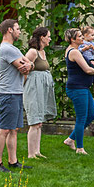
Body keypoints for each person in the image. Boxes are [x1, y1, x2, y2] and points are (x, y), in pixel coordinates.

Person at [0, 19, 33, 172]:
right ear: (9, 30)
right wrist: (28, 66)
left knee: (13, 129)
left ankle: (13, 161)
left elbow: (29, 64)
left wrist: (30, 65)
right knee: (4, 129)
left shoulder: (13, 49)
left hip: (15, 92)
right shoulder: (7, 49)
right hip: (7, 93)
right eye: (17, 28)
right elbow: (24, 68)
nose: (19, 31)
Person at [62, 28, 94, 155]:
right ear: (73, 39)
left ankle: (70, 139)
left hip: (83, 87)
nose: (82, 38)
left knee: (91, 115)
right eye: (79, 36)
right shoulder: (74, 52)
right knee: (82, 118)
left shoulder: (77, 50)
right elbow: (87, 70)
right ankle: (80, 148)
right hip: (77, 88)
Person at [23, 27, 57, 159]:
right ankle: (31, 154)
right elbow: (24, 69)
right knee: (34, 122)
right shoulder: (33, 52)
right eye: (48, 36)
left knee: (39, 122)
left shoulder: (43, 52)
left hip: (42, 89)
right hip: (33, 89)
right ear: (42, 37)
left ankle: (37, 151)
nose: (50, 39)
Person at [79, 26, 94, 91]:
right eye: (92, 35)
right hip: (84, 60)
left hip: (91, 59)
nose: (93, 37)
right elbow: (78, 50)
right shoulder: (82, 43)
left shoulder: (92, 43)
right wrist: (85, 49)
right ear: (85, 35)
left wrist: (93, 48)